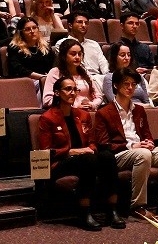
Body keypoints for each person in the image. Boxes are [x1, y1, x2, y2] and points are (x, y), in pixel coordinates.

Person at [92, 68, 158, 223]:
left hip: (140, 151)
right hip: (119, 155)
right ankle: (137, 206)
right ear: (115, 86)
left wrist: (149, 143)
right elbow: (103, 144)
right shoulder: (104, 112)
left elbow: (146, 134)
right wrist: (131, 146)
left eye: (133, 84)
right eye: (126, 84)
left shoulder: (139, 109)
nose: (130, 88)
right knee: (143, 154)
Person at [36, 74, 121, 231]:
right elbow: (46, 151)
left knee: (108, 157)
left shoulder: (83, 115)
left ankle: (112, 209)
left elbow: (93, 142)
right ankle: (84, 212)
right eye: (68, 89)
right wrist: (71, 151)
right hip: (60, 163)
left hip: (85, 158)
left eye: (75, 89)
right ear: (57, 93)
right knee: (88, 160)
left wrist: (91, 149)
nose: (72, 93)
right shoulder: (47, 118)